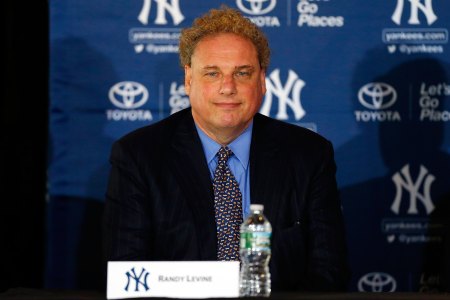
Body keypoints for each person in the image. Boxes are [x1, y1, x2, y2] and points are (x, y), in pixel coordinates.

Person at [103, 6, 350, 291]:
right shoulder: (138, 156)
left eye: (242, 73)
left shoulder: (309, 155)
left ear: (261, 80)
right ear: (188, 79)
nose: (228, 87)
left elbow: (329, 274)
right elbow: (127, 275)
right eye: (212, 74)